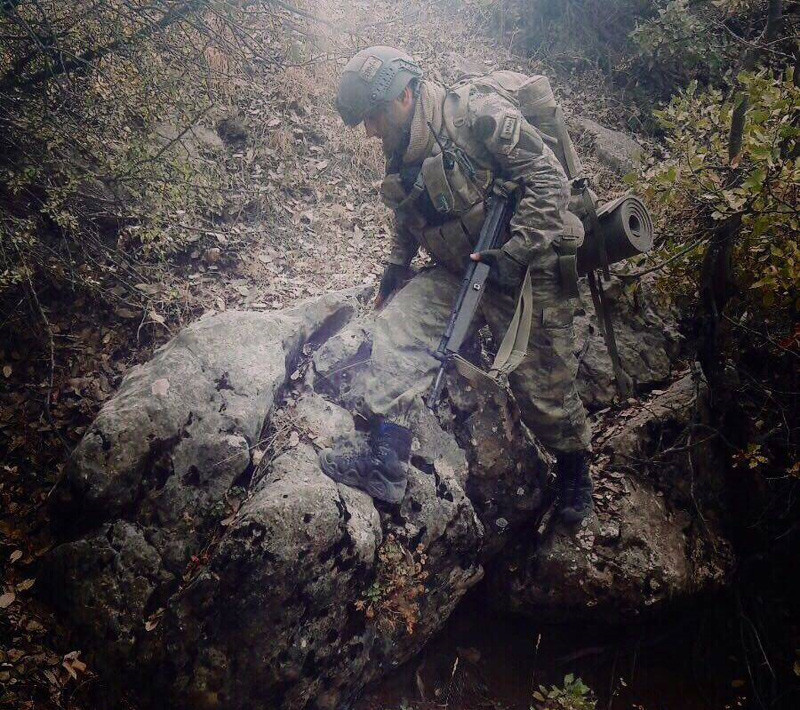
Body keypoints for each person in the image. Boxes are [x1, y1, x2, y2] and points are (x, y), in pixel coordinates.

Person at [330, 45, 593, 524]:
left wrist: (517, 252)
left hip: (526, 261)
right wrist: (396, 262)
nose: (369, 130)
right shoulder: (401, 150)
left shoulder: (474, 113)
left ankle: (576, 470)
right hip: (460, 268)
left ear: (405, 95)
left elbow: (548, 179)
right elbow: (409, 211)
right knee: (397, 330)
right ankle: (387, 457)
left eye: (374, 115)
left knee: (541, 387)